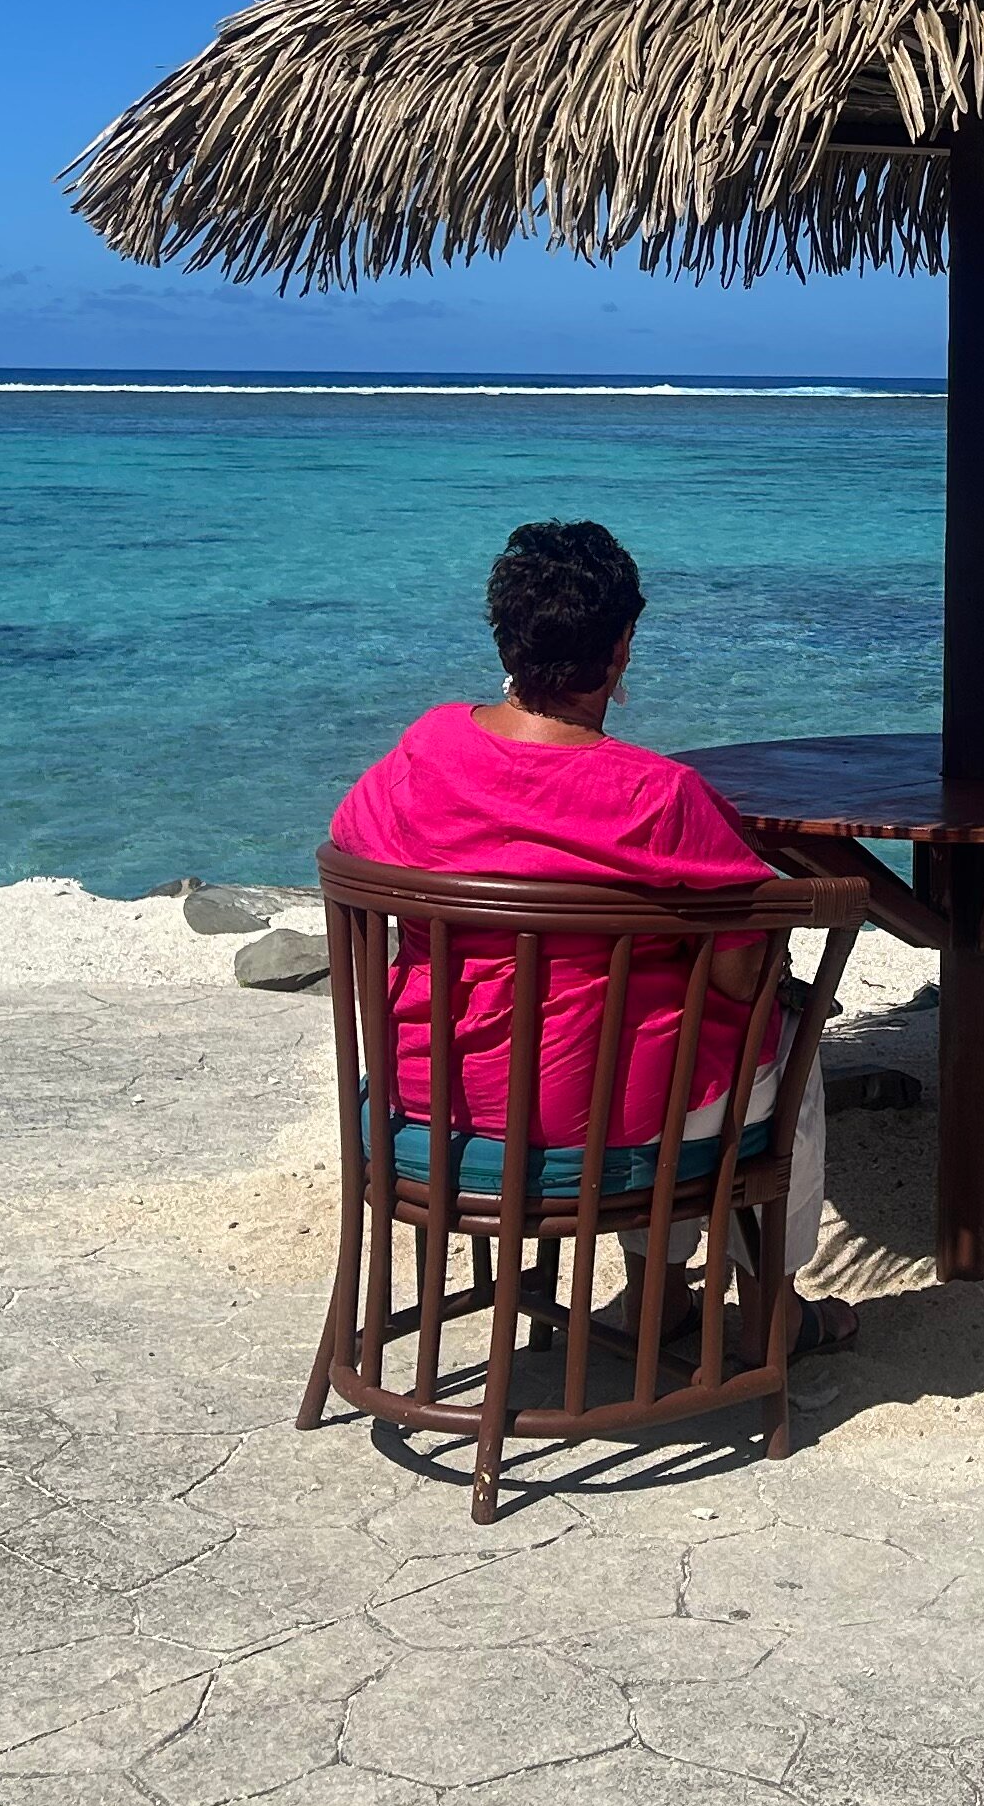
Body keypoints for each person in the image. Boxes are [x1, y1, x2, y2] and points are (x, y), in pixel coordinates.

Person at [325, 520, 855, 1357]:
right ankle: (766, 1313)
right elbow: (739, 977)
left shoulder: (423, 754)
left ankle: (659, 1300)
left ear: (505, 637)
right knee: (783, 1046)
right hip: (599, 1114)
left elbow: (348, 846)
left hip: (429, 1097)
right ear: (621, 652)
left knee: (662, 1048)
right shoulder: (662, 798)